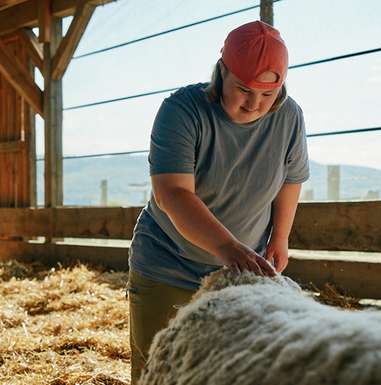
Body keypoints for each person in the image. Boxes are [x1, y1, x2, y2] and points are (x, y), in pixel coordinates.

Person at [127, 20, 309, 380]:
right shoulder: (182, 111)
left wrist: (280, 237)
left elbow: (291, 179)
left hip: (238, 273)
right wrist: (227, 246)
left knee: (231, 371)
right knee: (157, 371)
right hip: (169, 262)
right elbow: (173, 193)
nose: (255, 104)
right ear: (221, 72)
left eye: (268, 94)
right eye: (243, 89)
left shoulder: (289, 117)